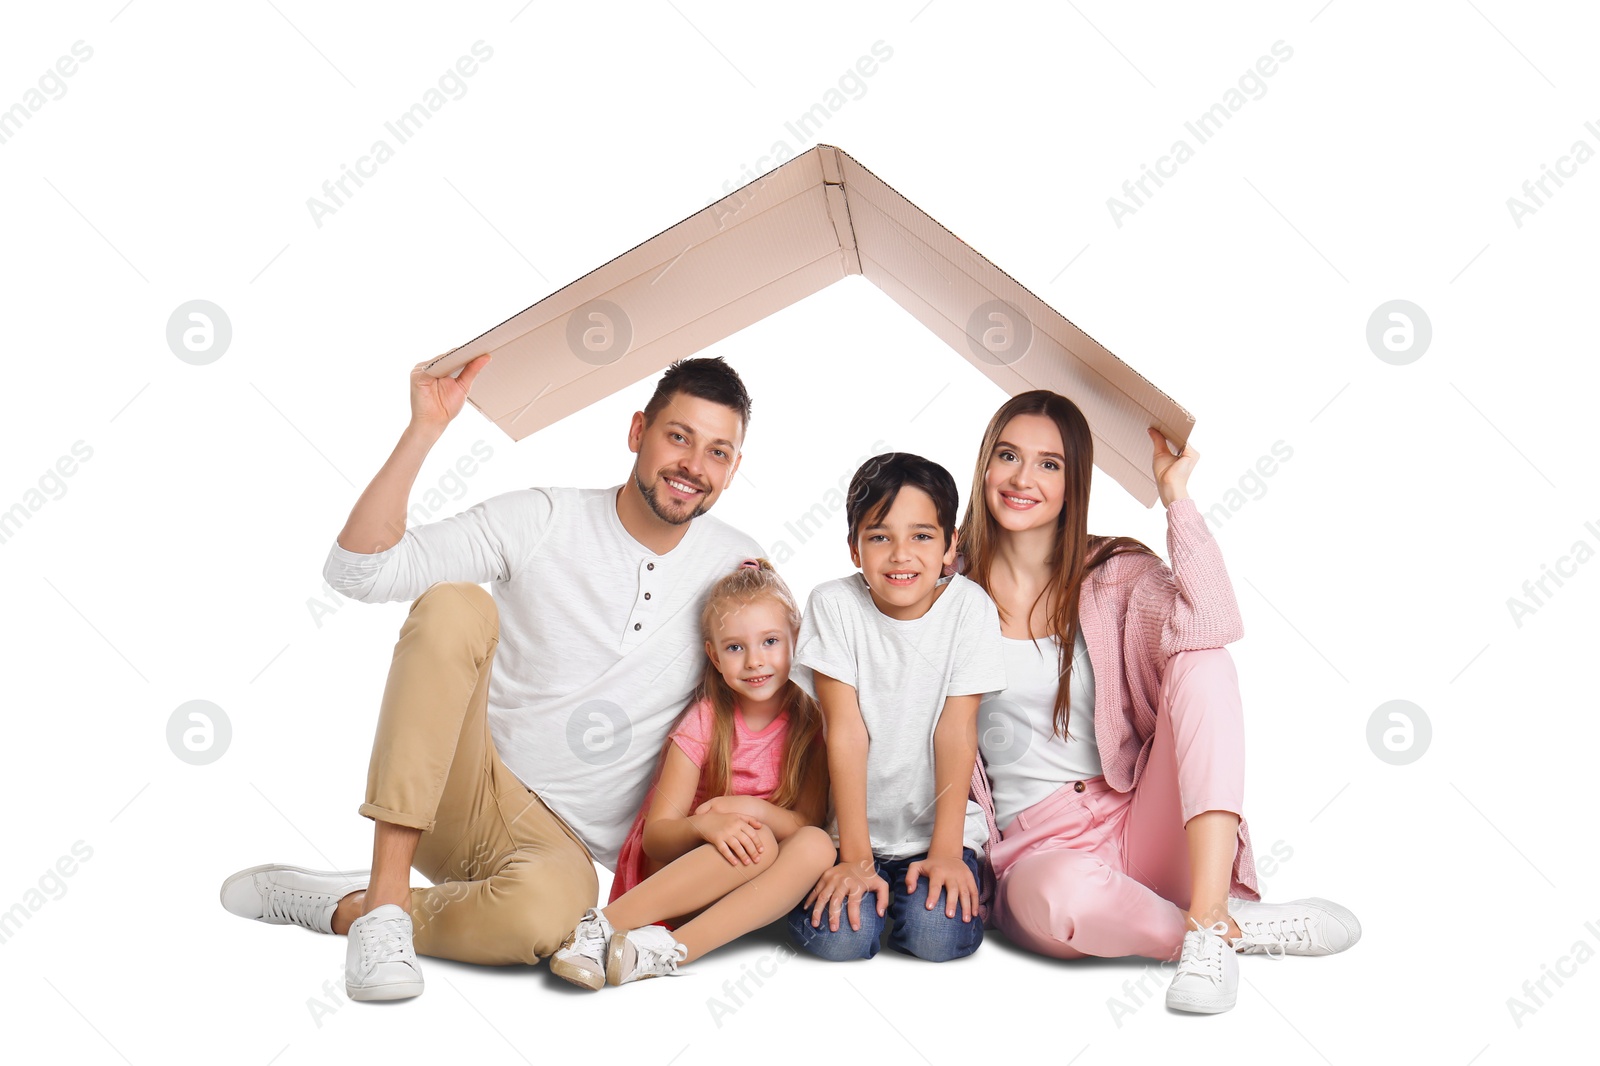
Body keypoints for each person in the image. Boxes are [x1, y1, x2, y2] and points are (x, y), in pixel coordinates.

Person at [218, 354, 764, 1001]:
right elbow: (358, 572)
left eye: (718, 452)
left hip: (563, 847)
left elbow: (784, 695)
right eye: (679, 437)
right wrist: (424, 429)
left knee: (547, 923)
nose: (693, 467)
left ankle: (344, 906)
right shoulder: (542, 519)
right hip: (461, 788)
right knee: (456, 603)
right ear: (637, 430)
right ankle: (388, 900)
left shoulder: (737, 565)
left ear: (732, 470)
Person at [957, 390, 1360, 1014]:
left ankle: (1206, 913)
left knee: (1203, 662)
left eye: (1049, 464)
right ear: (984, 465)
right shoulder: (944, 587)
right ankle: (1220, 928)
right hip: (1039, 852)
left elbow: (1215, 620)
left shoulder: (1113, 573)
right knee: (1059, 899)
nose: (1022, 478)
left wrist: (1177, 498)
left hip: (1139, 818)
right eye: (1008, 455)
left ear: (1074, 481)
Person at [549, 557, 835, 989]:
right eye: (736, 647)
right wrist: (706, 826)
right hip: (672, 878)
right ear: (714, 657)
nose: (755, 661)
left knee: (817, 845)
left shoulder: (812, 724)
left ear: (797, 639)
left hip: (743, 897)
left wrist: (742, 806)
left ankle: (664, 951)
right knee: (756, 841)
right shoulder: (705, 721)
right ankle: (600, 928)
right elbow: (656, 836)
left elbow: (803, 822)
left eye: (770, 641)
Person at [784, 452, 1006, 962]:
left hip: (937, 834)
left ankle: (912, 900)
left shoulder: (969, 608)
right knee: (841, 939)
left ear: (951, 545)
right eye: (880, 536)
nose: (901, 555)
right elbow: (846, 731)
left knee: (936, 936)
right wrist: (856, 857)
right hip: (853, 834)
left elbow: (956, 730)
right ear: (854, 548)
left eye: (922, 536)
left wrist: (948, 853)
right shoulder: (833, 605)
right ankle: (863, 898)